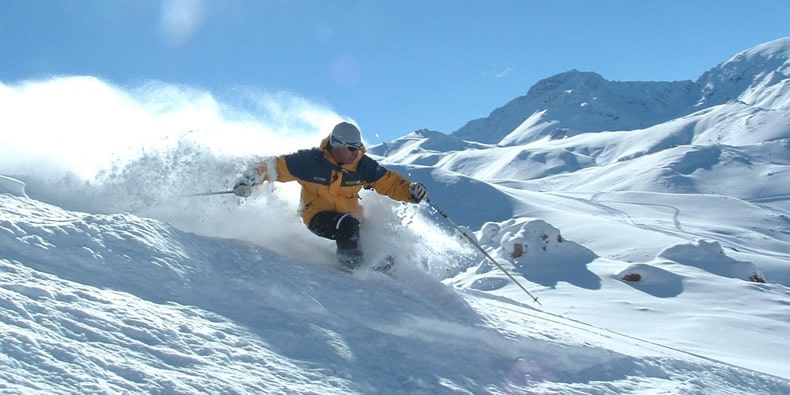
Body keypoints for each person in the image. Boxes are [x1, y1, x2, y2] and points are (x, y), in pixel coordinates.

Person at [232, 121, 428, 270]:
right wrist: (250, 180)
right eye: (351, 148)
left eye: (359, 147)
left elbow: (389, 182)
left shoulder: (361, 165)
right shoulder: (310, 162)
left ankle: (386, 275)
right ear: (337, 145)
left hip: (351, 216)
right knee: (347, 225)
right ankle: (353, 272)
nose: (356, 153)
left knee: (378, 240)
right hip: (318, 216)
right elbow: (275, 166)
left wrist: (410, 191)